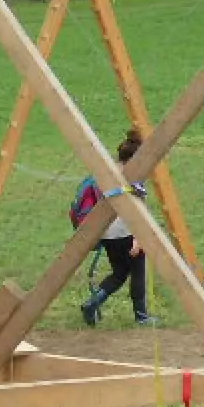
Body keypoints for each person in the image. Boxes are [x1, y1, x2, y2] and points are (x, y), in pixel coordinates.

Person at [81, 129, 161, 327]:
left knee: (119, 273)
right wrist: (138, 238)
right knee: (137, 272)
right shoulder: (134, 179)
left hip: (107, 232)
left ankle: (93, 302)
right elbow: (137, 210)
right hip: (126, 231)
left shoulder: (109, 173)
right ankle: (141, 315)